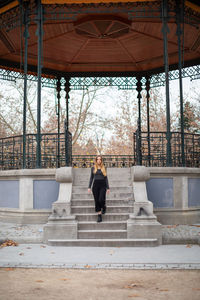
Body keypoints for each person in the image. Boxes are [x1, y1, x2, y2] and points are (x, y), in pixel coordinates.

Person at [88, 155, 110, 223]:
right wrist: (89, 187)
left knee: (101, 199)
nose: (99, 160)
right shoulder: (93, 168)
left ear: (101, 160)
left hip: (103, 185)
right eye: (97, 159)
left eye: (100, 159)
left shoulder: (104, 168)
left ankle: (104, 206)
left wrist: (108, 187)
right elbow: (91, 178)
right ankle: (99, 215)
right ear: (96, 160)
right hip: (95, 186)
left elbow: (106, 178)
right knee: (97, 200)